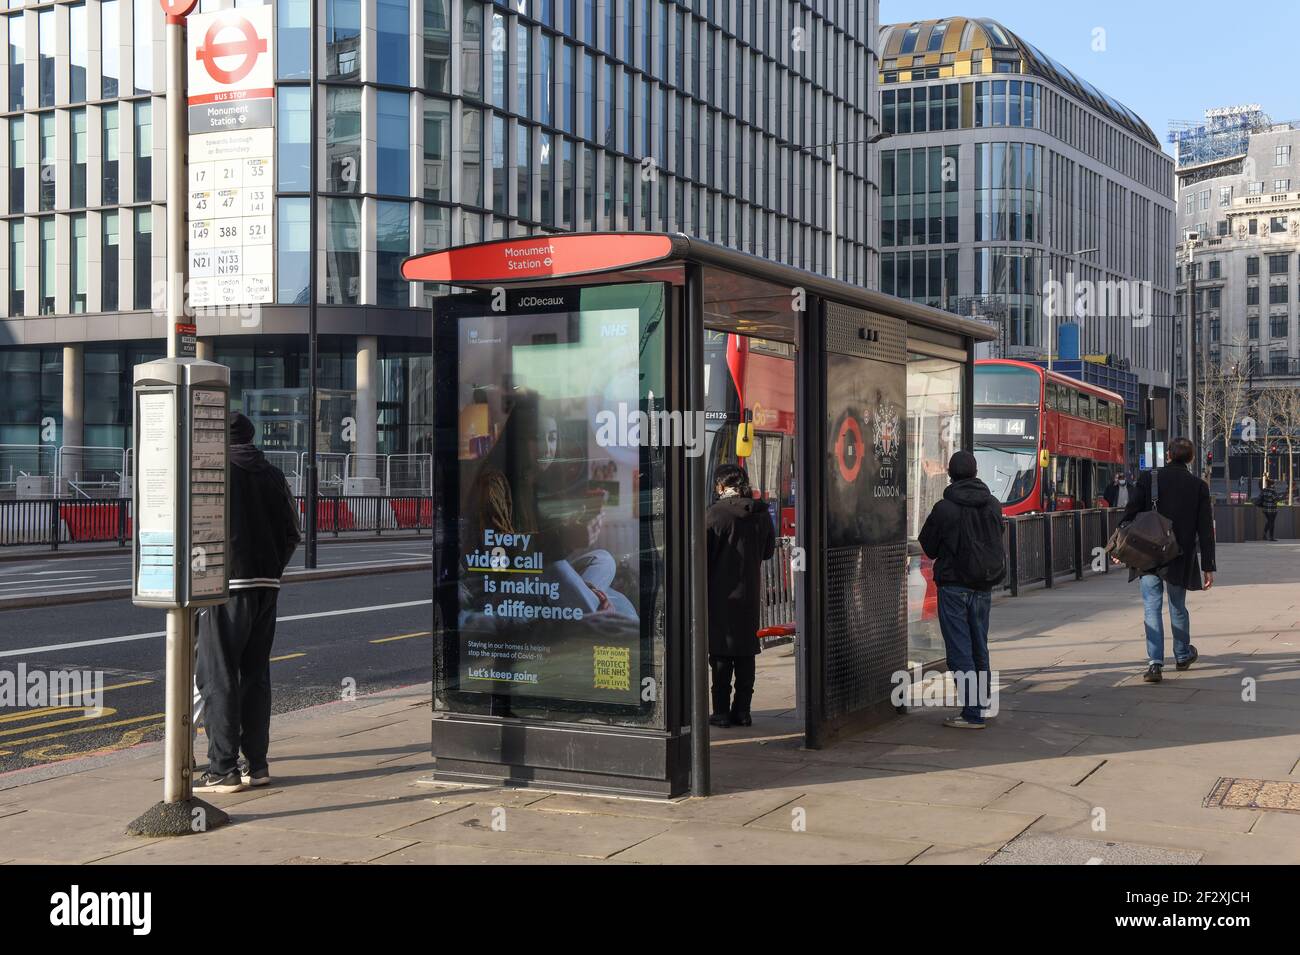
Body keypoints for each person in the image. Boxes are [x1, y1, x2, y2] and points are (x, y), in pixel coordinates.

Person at [195, 412, 302, 793]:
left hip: (225, 586)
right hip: (266, 585)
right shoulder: (271, 473)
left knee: (218, 675)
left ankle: (223, 769)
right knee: (255, 676)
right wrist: (272, 568)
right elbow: (293, 532)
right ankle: (257, 764)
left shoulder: (217, 473)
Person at [918, 450, 1005, 729]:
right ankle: (983, 704)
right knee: (980, 645)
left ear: (951, 474)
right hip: (983, 585)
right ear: (976, 473)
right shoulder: (992, 504)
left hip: (954, 585)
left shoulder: (944, 508)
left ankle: (972, 713)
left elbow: (929, 546)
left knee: (959, 649)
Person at [1118, 437, 1216, 683]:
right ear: (1191, 458)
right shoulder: (1198, 486)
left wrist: (1119, 548)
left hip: (1148, 554)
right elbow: (1205, 530)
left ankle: (1155, 664)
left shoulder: (1149, 479)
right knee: (1177, 606)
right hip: (1179, 555)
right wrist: (1208, 567)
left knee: (1151, 607)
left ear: (1169, 455)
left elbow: (1129, 513)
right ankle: (1182, 654)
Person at [706, 464, 776, 728]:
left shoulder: (715, 515)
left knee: (721, 654)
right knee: (747, 652)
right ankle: (743, 711)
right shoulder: (761, 513)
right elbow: (768, 551)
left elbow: (703, 557)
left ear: (722, 486)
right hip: (749, 594)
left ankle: (721, 712)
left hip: (720, 595)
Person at [1257, 476, 1280, 541]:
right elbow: (1276, 500)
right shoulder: (1273, 491)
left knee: (1269, 521)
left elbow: (1260, 498)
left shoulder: (1264, 490)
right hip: (1272, 509)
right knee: (1272, 522)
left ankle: (1264, 534)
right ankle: (1271, 537)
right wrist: (1279, 498)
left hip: (1265, 509)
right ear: (1272, 484)